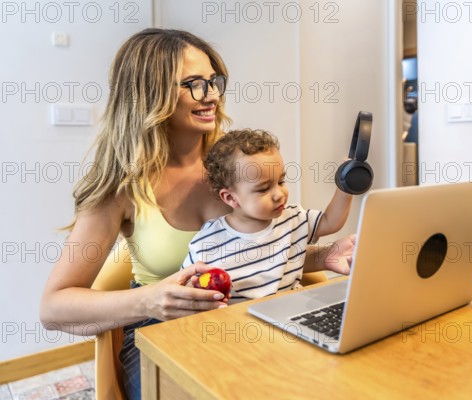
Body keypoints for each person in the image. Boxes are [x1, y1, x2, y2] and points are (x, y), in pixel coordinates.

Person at [39, 28, 355, 400]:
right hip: (163, 329)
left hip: (250, 316)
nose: (213, 95)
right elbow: (53, 307)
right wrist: (149, 300)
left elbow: (258, 255)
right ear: (148, 94)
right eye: (193, 84)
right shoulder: (121, 186)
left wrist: (320, 255)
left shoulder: (235, 166)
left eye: (213, 81)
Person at [182, 129, 353, 303]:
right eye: (263, 189)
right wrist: (194, 287)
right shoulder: (206, 242)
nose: (279, 194)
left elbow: (331, 222)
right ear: (231, 198)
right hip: (238, 320)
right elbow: (185, 288)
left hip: (291, 311)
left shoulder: (293, 218)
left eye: (280, 182)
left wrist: (346, 186)